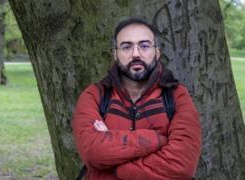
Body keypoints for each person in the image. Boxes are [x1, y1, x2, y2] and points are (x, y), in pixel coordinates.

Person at [72, 17, 202, 180]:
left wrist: (114, 165)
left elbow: (182, 165)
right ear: (115, 54)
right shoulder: (95, 95)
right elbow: (92, 152)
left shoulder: (176, 96)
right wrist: (158, 140)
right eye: (126, 47)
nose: (135, 54)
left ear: (157, 52)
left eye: (144, 45)